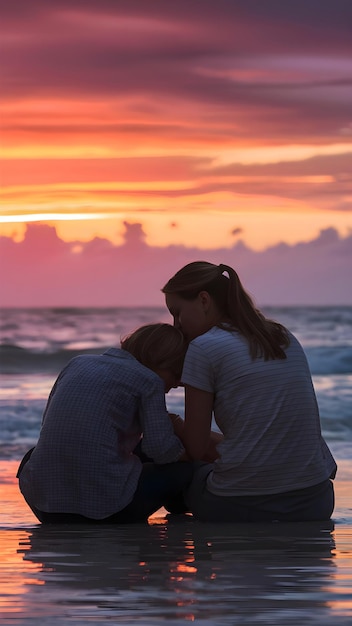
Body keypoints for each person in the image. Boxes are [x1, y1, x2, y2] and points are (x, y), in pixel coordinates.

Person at [162, 261, 337, 523]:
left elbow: (196, 449)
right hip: (316, 503)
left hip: (238, 505)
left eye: (177, 312)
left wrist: (173, 425)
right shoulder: (282, 336)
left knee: (180, 478)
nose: (176, 324)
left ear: (204, 300)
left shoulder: (203, 347)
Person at [17, 323, 194, 524]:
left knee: (34, 454)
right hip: (107, 511)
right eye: (176, 375)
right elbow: (161, 450)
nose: (175, 385)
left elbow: (47, 424)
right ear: (164, 362)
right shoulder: (149, 380)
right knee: (183, 470)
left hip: (46, 507)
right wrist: (193, 454)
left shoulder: (77, 363)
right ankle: (177, 508)